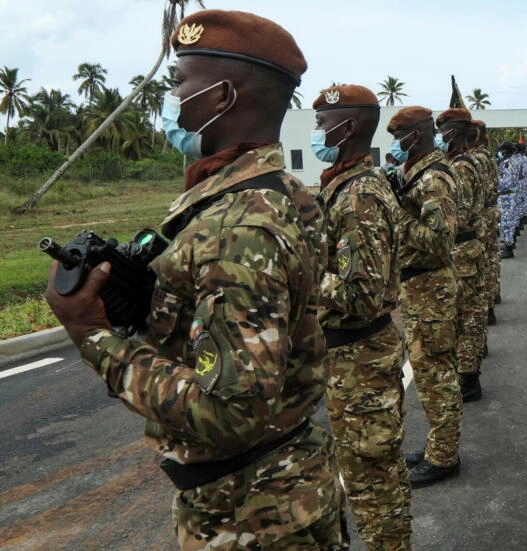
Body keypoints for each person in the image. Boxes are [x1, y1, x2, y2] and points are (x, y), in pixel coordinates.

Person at [44, 10, 349, 549]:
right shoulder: (278, 192)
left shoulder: (238, 226)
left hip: (250, 513)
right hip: (276, 487)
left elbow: (230, 414)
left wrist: (92, 336)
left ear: (221, 98)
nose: (172, 99)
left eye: (180, 83)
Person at [311, 84, 411, 550]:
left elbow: (362, 296)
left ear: (347, 128)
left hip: (361, 360)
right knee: (365, 475)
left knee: (373, 482)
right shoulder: (345, 186)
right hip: (350, 358)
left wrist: (302, 274)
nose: (317, 133)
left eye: (322, 124)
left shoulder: (360, 197)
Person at [387, 106, 463, 488]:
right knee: (430, 371)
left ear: (413, 136)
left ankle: (444, 455)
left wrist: (398, 214)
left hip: (431, 286)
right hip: (420, 286)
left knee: (435, 374)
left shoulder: (433, 178)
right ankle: (439, 443)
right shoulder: (415, 173)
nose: (393, 144)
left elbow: (438, 241)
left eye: (396, 136)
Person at [436, 108, 488, 402]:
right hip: (464, 248)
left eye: (441, 131)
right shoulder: (457, 163)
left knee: (467, 317)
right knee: (467, 314)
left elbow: (462, 213)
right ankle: (469, 370)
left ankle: (468, 379)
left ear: (452, 134)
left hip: (463, 249)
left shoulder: (462, 167)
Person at [471, 119, 501, 327]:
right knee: (491, 255)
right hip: (489, 209)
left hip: (482, 212)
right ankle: (492, 296)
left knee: (483, 261)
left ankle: (487, 304)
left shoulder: (476, 158)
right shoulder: (486, 155)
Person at [497, 141, 521, 258]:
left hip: (506, 195)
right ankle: (508, 243)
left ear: (505, 151)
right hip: (510, 194)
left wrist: (495, 181)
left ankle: (508, 248)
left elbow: (507, 181)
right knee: (509, 221)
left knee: (506, 223)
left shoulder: (508, 163)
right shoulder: (513, 161)